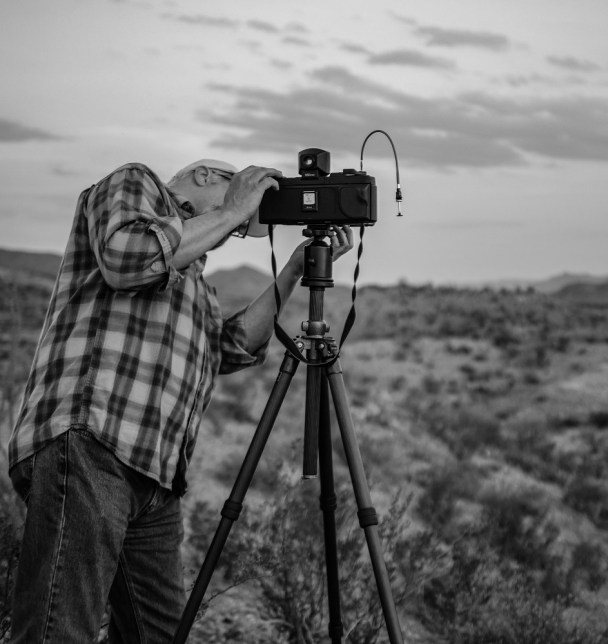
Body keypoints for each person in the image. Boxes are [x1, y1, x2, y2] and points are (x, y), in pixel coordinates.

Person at [5, 159, 353, 643]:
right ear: (206, 176)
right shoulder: (135, 181)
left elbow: (230, 348)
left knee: (162, 633)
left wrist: (294, 269)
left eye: (240, 228)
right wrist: (232, 212)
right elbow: (126, 259)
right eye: (237, 215)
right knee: (59, 628)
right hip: (92, 440)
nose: (234, 231)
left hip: (157, 475)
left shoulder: (196, 282)